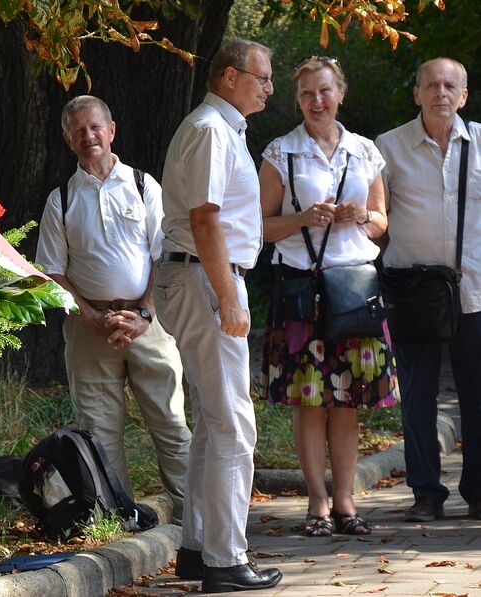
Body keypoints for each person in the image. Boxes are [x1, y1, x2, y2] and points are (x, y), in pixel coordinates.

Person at [155, 39, 282, 593]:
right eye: (263, 78)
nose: (269, 88)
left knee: (212, 419)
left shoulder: (221, 128)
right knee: (232, 421)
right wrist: (229, 297)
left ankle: (198, 549)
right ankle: (226, 561)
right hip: (207, 277)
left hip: (202, 275)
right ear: (230, 76)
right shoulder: (210, 128)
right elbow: (205, 220)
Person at [258, 57, 398, 537]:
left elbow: (382, 222)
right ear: (296, 100)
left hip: (353, 289)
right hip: (300, 289)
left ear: (340, 93)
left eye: (324, 92)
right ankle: (317, 502)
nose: (316, 102)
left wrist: (360, 216)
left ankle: (345, 500)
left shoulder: (365, 151)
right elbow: (260, 227)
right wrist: (302, 219)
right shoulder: (282, 152)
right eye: (306, 95)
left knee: (348, 401)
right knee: (310, 402)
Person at [35, 95, 192, 525]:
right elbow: (52, 273)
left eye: (95, 127)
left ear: (111, 130)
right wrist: (92, 317)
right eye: (79, 131)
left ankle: (196, 520)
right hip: (90, 330)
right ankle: (118, 523)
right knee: (100, 435)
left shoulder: (144, 186)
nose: (89, 137)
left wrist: (142, 314)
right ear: (69, 140)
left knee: (171, 424)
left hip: (150, 323)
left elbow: (166, 257)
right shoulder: (61, 200)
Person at [376, 57, 481, 522]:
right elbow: (376, 222)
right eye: (431, 85)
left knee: (477, 395)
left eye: (449, 86)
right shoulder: (388, 147)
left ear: (463, 95)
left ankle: (478, 492)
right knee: (417, 396)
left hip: (476, 292)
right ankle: (425, 493)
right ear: (416, 93)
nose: (441, 92)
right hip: (413, 291)